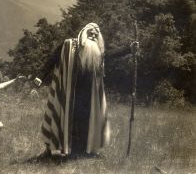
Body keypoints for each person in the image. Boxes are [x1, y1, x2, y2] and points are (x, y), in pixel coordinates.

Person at [35, 22, 138, 157]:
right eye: (90, 33)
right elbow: (53, 58)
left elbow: (112, 54)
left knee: (85, 123)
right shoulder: (69, 45)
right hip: (68, 93)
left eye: (96, 35)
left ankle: (80, 151)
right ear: (83, 33)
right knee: (62, 119)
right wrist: (40, 76)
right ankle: (51, 149)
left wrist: (129, 49)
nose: (93, 36)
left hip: (88, 96)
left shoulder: (97, 52)